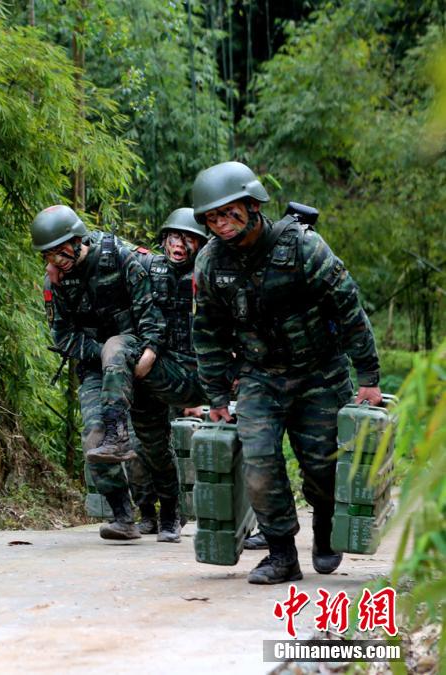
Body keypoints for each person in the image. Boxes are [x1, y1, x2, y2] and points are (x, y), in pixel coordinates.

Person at [190, 161, 382, 584]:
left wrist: (367, 377)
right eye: (213, 218)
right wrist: (217, 397)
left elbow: (348, 308)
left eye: (229, 213)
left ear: (254, 206)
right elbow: (207, 333)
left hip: (320, 374)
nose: (221, 224)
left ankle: (325, 528)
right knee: (259, 463)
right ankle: (281, 554)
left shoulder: (303, 247)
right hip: (260, 376)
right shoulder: (210, 264)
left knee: (322, 467)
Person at [33, 205, 203, 543]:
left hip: (138, 359)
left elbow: (151, 312)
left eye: (59, 250)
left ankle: (169, 511)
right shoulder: (56, 283)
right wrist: (104, 354)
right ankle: (123, 516)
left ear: (77, 240)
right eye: (48, 254)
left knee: (153, 443)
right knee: (94, 442)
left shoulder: (121, 258)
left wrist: (147, 351)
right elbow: (63, 336)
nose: (55, 259)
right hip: (99, 366)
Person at [126, 208, 209, 534]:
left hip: (192, 374)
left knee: (164, 446)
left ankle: (172, 513)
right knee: (145, 445)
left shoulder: (209, 275)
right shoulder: (147, 268)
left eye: (188, 239)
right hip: (153, 371)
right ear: (164, 240)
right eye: (174, 237)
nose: (179, 245)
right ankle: (147, 511)